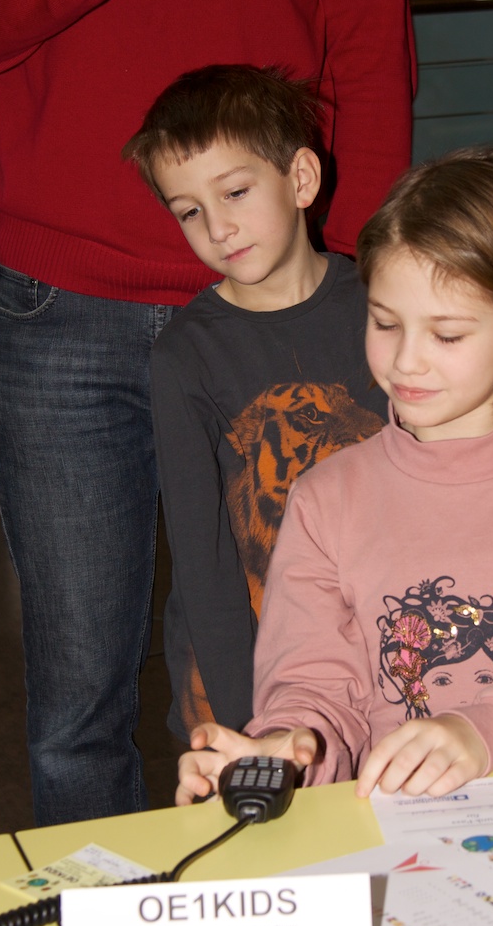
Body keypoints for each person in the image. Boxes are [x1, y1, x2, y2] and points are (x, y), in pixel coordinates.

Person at [0, 0, 414, 825]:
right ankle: (107, 917)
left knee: (332, 650)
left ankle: (311, 892)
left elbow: (369, 54)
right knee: (77, 699)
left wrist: (357, 293)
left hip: (285, 313)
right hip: (66, 308)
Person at [176, 146, 493, 804]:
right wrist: (289, 746)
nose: (406, 361)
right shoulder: (325, 498)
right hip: (396, 829)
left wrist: (486, 730)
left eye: (446, 335)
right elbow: (313, 688)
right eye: (385, 323)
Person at [123, 63, 389, 739]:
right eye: (189, 211)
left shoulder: (386, 309)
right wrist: (249, 723)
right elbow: (202, 556)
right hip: (243, 670)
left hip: (385, 653)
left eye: (235, 192)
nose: (218, 228)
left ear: (301, 179)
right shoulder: (184, 356)